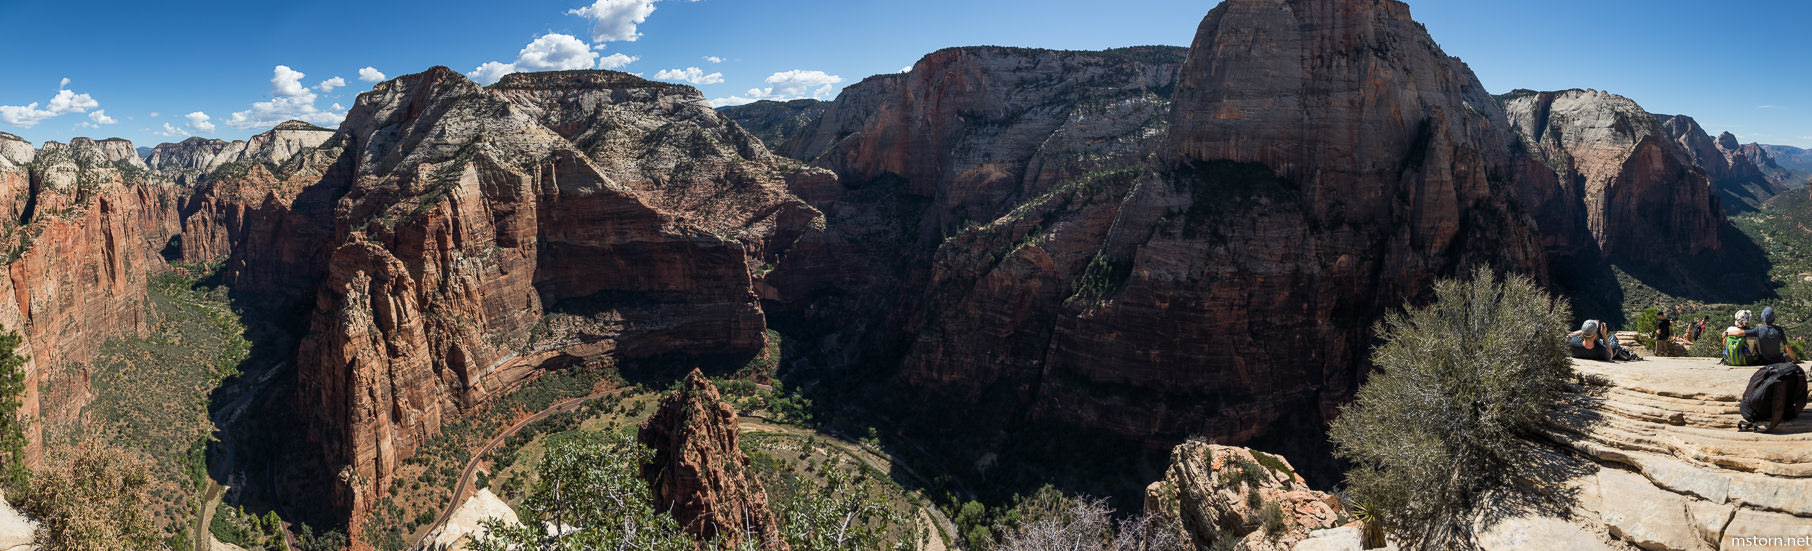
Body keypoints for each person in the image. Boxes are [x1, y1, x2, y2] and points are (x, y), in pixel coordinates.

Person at [1729, 306, 1797, 364]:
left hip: (1764, 361)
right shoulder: (1779, 330)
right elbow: (1787, 348)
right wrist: (1795, 361)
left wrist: (1726, 333)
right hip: (1778, 360)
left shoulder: (1758, 330)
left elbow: (1739, 333)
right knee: (1787, 356)